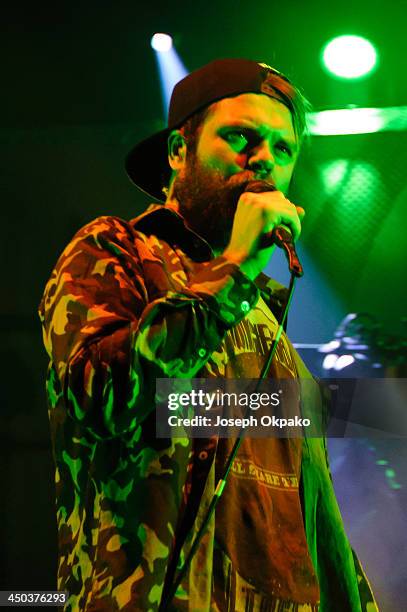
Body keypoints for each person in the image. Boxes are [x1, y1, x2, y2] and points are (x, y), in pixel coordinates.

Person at [39, 59, 378, 611]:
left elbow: (310, 506)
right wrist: (239, 266)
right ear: (178, 152)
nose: (265, 159)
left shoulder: (263, 316)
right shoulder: (118, 251)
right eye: (242, 137)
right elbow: (99, 404)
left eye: (283, 148)